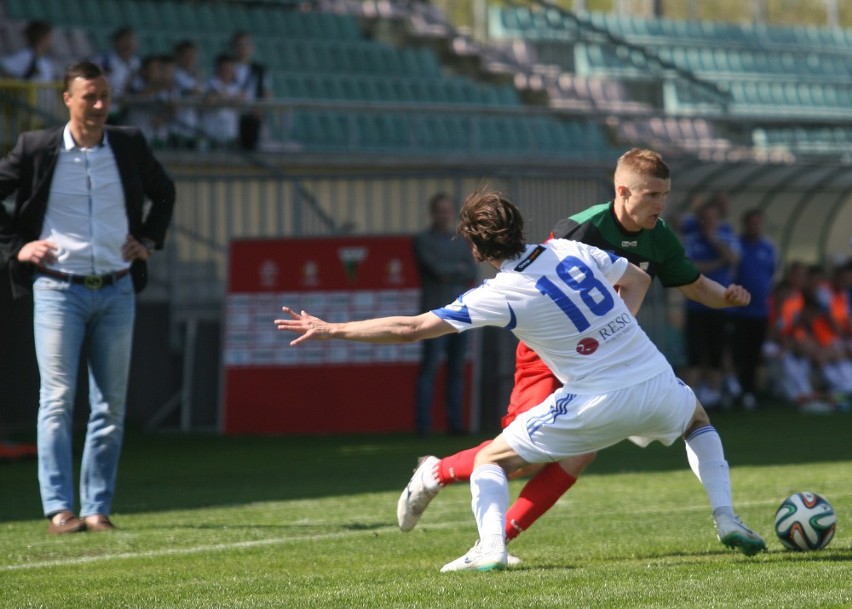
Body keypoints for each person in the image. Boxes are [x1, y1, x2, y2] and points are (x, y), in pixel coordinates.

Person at [275, 187, 766, 571]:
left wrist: (331, 328)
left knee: (492, 459)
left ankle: (488, 545)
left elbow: (411, 329)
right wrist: (618, 330)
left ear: (474, 246)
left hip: (597, 395)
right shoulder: (571, 249)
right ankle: (726, 517)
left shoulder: (501, 291)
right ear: (519, 225)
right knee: (697, 420)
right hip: (656, 380)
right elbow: (638, 277)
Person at [397, 149, 752, 560]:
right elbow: (539, 279)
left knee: (581, 451)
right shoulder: (581, 230)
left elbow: (690, 284)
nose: (661, 204)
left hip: (602, 361)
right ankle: (435, 473)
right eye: (653, 194)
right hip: (546, 355)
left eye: (665, 195)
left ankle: (494, 544)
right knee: (521, 459)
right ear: (623, 192)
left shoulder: (659, 236)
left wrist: (726, 297)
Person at [0, 61, 176, 534]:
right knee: (56, 399)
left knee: (110, 406)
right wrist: (17, 248)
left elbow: (164, 192)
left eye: (104, 96)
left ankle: (97, 508)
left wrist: (149, 240)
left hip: (118, 289)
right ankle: (60, 508)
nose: (99, 106)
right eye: (89, 97)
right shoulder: (36, 147)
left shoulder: (128, 144)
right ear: (67, 99)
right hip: (58, 289)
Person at [412, 193, 478, 436]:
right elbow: (437, 270)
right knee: (429, 369)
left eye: (448, 210)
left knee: (456, 370)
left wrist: (451, 270)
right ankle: (423, 426)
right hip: (432, 314)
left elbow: (470, 270)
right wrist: (455, 270)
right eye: (440, 210)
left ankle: (455, 425)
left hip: (459, 314)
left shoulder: (460, 241)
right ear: (433, 212)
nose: (444, 215)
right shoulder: (422, 240)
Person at [681, 198, 742, 408]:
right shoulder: (692, 239)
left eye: (712, 218)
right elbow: (691, 268)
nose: (708, 222)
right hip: (696, 305)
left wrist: (713, 240)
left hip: (720, 305)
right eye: (704, 219)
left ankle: (715, 397)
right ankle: (689, 399)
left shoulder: (725, 237)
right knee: (695, 353)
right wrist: (718, 264)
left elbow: (734, 259)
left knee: (717, 353)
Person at [728, 208, 777, 409]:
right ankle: (736, 392)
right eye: (751, 223)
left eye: (758, 223)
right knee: (737, 354)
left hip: (760, 311)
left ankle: (751, 392)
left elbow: (771, 273)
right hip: (739, 311)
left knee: (754, 355)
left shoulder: (768, 248)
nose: (755, 226)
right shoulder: (736, 245)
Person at [90, 26, 141, 124]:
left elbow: (135, 85)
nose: (128, 44)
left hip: (122, 109)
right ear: (116, 42)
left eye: (131, 40)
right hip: (100, 107)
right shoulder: (104, 60)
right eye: (124, 40)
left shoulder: (135, 63)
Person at [230, 31, 270, 150]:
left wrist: (260, 108)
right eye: (240, 44)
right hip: (232, 114)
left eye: (246, 44)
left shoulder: (260, 69)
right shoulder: (228, 66)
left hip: (252, 114)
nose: (243, 48)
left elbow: (265, 91)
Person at [201, 54, 244, 149]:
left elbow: (240, 100)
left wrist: (222, 97)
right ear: (218, 69)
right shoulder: (209, 83)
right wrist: (227, 98)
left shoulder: (236, 87)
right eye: (224, 69)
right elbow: (209, 99)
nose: (227, 72)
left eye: (230, 69)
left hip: (230, 134)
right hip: (212, 134)